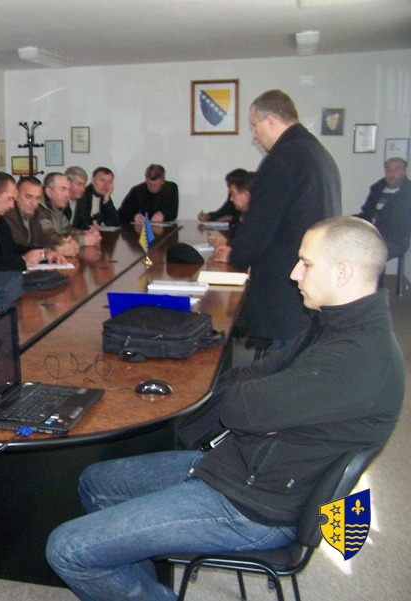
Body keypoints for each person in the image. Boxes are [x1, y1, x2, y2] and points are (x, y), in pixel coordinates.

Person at [46, 216, 404, 601]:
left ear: (343, 272)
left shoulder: (359, 358)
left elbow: (238, 410)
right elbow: (250, 380)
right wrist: (257, 406)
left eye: (306, 263)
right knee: (96, 482)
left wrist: (254, 405)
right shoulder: (334, 325)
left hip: (255, 506)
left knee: (67, 549)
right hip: (240, 466)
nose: (294, 273)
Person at [229, 89, 341, 347]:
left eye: (255, 125)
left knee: (289, 362)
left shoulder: (282, 159)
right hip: (314, 280)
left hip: (288, 290)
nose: (254, 135)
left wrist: (237, 256)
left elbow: (259, 226)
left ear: (270, 121)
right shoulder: (317, 152)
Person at [4, 176, 78, 257]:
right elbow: (21, 247)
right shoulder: (8, 214)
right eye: (28, 197)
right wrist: (56, 250)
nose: (33, 203)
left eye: (37, 198)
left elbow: (43, 239)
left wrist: (63, 243)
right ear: (16, 195)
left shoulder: (36, 212)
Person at [355, 157, 411, 260]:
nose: (391, 173)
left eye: (396, 169)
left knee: (374, 254)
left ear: (404, 172)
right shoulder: (377, 189)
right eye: (388, 169)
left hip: (396, 238)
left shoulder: (408, 192)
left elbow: (404, 223)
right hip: (372, 234)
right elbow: (367, 213)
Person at [41, 172, 102, 249]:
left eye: (68, 190)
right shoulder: (38, 209)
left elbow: (67, 229)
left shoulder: (56, 207)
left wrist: (83, 233)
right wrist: (83, 240)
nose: (68, 195)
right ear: (49, 192)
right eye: (63, 189)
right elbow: (51, 238)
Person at [207, 170, 256, 261]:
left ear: (246, 196)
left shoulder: (259, 219)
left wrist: (229, 249)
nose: (231, 199)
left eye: (233, 194)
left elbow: (253, 250)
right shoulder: (246, 215)